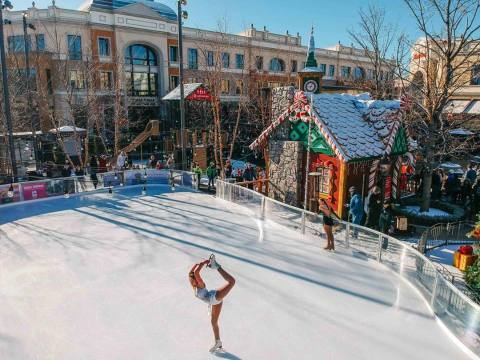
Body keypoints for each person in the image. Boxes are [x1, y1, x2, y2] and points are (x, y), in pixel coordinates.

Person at [189, 255, 235, 353]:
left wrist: (197, 265)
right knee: (213, 322)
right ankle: (218, 342)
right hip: (214, 300)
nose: (199, 278)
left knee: (232, 282)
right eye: (197, 278)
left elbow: (191, 273)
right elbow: (195, 272)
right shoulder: (200, 284)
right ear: (195, 279)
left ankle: (217, 266)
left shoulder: (195, 287)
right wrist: (202, 263)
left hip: (214, 298)